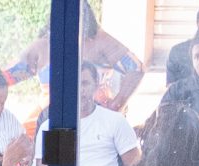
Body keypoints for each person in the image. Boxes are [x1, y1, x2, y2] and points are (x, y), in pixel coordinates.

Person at [12, 6, 145, 112]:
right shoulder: (45, 44)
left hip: (96, 113)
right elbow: (10, 76)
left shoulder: (100, 40)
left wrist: (117, 104)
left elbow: (136, 69)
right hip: (51, 116)